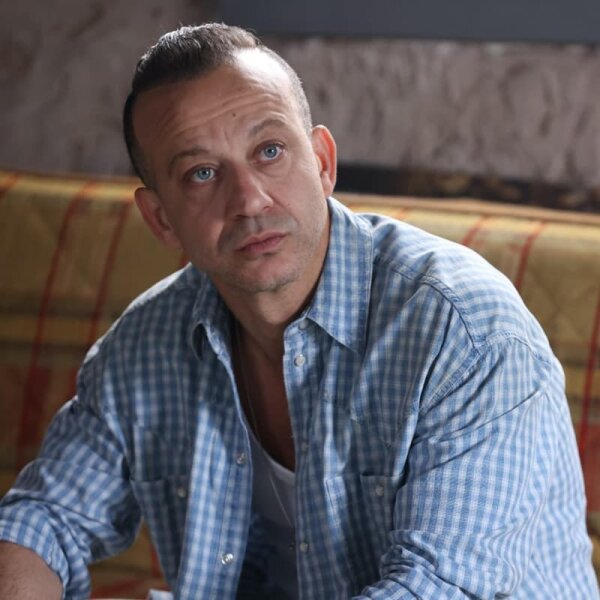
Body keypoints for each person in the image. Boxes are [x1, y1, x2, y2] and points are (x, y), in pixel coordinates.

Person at [0, 23, 597, 600]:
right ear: (161, 219)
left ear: (323, 162)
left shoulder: (462, 331)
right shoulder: (143, 345)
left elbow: (438, 588)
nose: (249, 200)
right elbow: (45, 518)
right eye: (202, 173)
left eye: (269, 151)